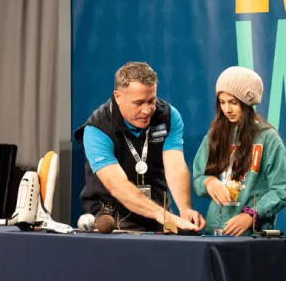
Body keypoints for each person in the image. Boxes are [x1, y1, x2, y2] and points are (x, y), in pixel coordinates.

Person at [74, 62, 205, 232]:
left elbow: (176, 167)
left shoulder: (169, 116)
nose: (147, 110)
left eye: (151, 100)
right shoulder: (97, 129)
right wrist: (161, 214)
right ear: (118, 97)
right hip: (113, 221)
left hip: (160, 216)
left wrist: (185, 208)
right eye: (138, 103)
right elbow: (116, 185)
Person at [192, 66, 286, 236]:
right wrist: (208, 182)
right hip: (214, 232)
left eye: (233, 102)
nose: (227, 109)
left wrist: (251, 215)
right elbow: (197, 177)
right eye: (222, 102)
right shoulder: (214, 135)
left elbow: (281, 190)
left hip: (251, 235)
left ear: (247, 103)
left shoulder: (268, 138)